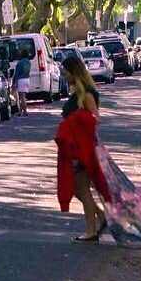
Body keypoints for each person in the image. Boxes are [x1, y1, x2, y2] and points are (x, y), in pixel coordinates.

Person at [58, 55, 107, 242]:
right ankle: (101, 217)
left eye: (65, 72)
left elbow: (95, 118)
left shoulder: (87, 94)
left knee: (82, 189)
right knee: (78, 189)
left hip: (84, 147)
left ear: (73, 72)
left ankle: (91, 230)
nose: (64, 76)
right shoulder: (77, 94)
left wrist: (75, 123)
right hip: (75, 147)